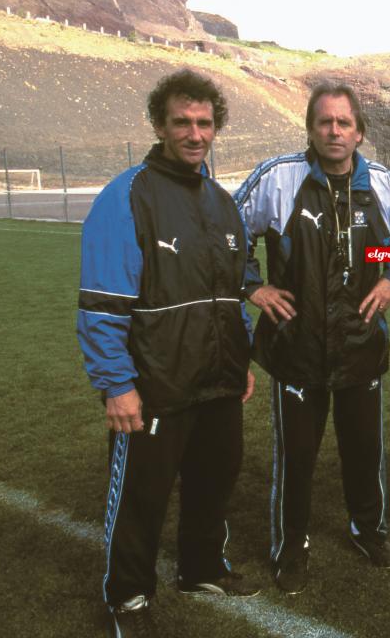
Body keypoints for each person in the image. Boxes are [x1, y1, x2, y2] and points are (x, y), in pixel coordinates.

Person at [78, 69, 259, 637]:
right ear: (159, 124)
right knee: (141, 498)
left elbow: (233, 291)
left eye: (205, 123)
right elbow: (102, 302)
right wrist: (116, 383)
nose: (194, 132)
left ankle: (202, 567)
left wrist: (242, 358)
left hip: (219, 378)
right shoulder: (127, 195)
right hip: (155, 382)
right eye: (182, 121)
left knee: (215, 479)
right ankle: (127, 598)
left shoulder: (223, 202)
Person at [233, 82, 390, 593]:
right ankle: (291, 544)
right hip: (296, 349)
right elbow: (224, 231)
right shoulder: (278, 177)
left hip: (360, 346)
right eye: (324, 122)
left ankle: (368, 529)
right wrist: (253, 286)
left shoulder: (377, 181)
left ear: (360, 131)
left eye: (344, 123)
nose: (334, 131)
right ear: (310, 128)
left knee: (363, 450)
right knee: (297, 456)